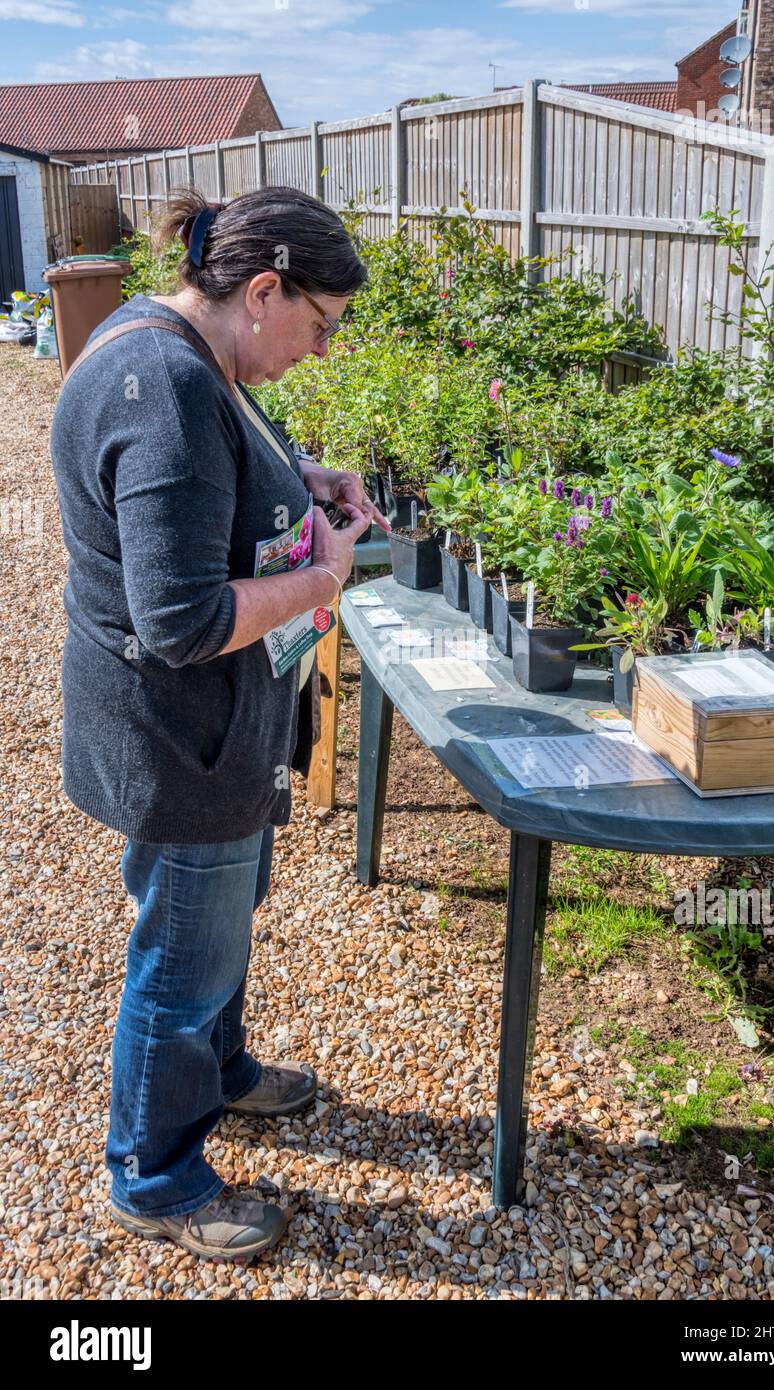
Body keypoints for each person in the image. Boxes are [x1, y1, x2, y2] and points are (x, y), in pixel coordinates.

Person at [49, 186, 388, 1263]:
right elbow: (184, 621)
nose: (321, 351)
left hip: (208, 732)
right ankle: (152, 1176)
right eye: (319, 323)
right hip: (179, 738)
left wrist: (302, 481)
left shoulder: (171, 342)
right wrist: (323, 576)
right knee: (181, 960)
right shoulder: (167, 391)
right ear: (261, 289)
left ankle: (224, 1069)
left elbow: (219, 482)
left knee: (217, 928)